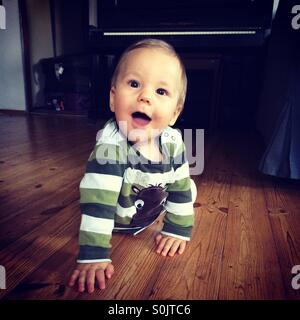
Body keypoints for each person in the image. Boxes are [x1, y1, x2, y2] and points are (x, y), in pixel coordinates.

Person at [68, 39, 197, 293]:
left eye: (161, 92)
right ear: (113, 99)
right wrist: (94, 254)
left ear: (174, 113)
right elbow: (98, 205)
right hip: (117, 214)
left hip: (150, 206)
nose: (145, 96)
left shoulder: (173, 143)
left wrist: (176, 229)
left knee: (188, 187)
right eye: (134, 84)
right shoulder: (110, 147)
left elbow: (180, 188)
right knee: (99, 190)